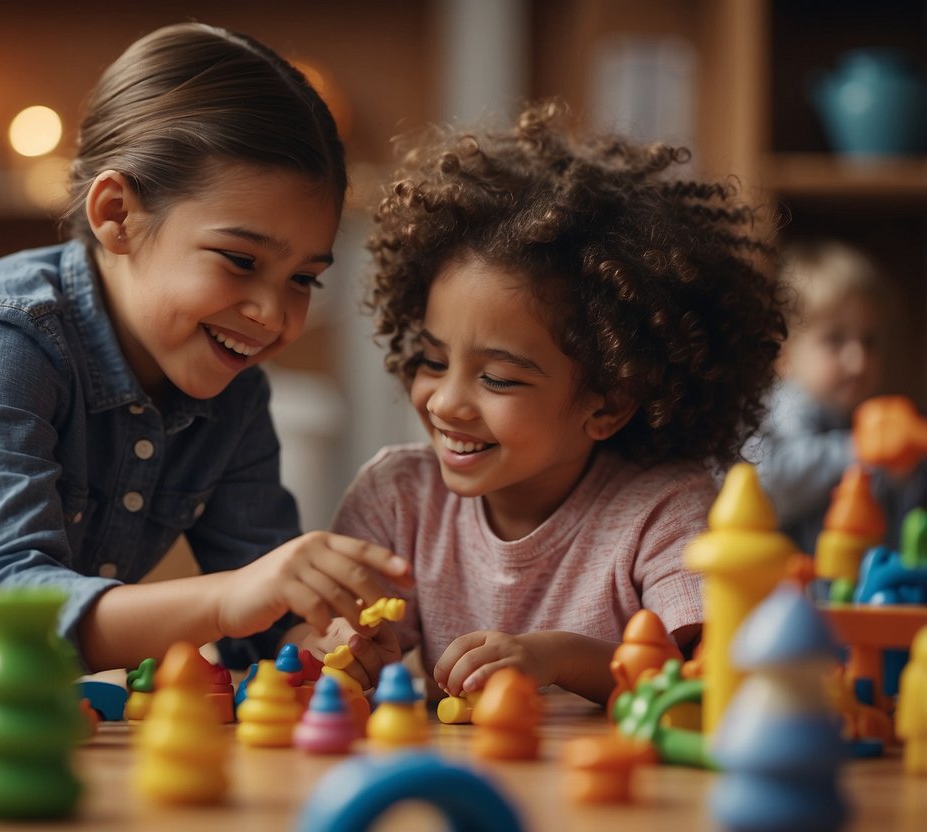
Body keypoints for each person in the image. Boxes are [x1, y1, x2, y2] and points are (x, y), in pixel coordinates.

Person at [0, 22, 411, 674]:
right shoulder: (6, 338)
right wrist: (234, 597)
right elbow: (12, 597)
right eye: (239, 260)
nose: (273, 314)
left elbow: (264, 611)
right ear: (117, 215)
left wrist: (322, 639)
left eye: (303, 279)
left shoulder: (233, 392)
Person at [322, 101, 786, 705]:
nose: (448, 402)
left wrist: (557, 657)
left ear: (608, 403)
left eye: (498, 379)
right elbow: (332, 639)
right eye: (434, 361)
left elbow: (702, 676)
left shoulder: (663, 510)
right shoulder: (396, 499)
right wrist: (343, 649)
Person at [750, 239, 927, 554]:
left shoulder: (859, 417)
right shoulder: (785, 407)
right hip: (787, 590)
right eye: (835, 339)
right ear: (784, 354)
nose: (859, 361)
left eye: (870, 341)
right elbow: (772, 485)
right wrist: (861, 450)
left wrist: (904, 477)